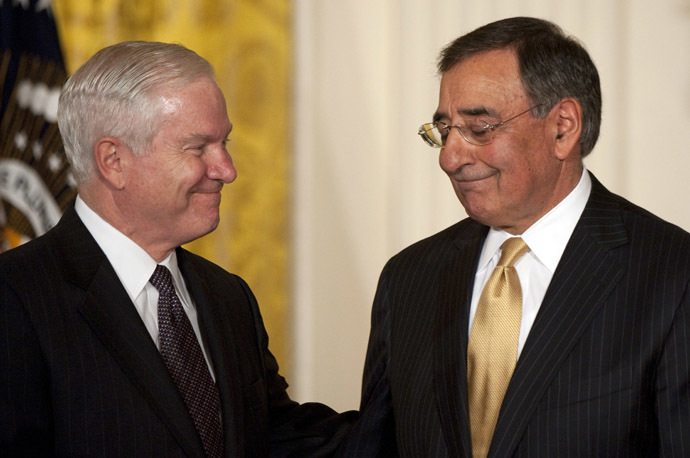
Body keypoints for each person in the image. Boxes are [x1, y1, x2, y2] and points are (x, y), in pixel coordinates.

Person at [336, 16, 690, 458]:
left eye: (479, 128)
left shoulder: (673, 275)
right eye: (444, 130)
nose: (449, 157)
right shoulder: (408, 278)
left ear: (563, 127)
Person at [0, 41, 353, 457]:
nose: (227, 170)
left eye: (225, 143)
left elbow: (280, 437)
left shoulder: (227, 296)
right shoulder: (16, 299)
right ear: (113, 160)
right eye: (198, 147)